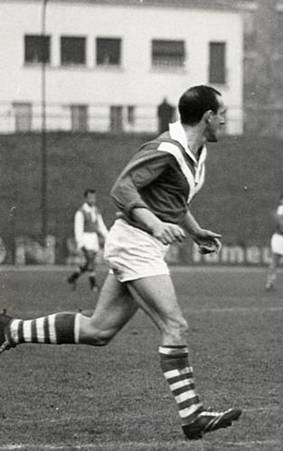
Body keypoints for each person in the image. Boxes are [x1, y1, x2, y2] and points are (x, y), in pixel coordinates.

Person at [0, 85, 241, 439]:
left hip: (139, 245)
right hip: (134, 244)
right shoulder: (167, 149)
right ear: (207, 117)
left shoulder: (195, 151)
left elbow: (174, 198)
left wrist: (195, 231)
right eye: (222, 114)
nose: (225, 120)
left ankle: (11, 329)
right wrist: (156, 224)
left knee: (99, 330)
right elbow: (122, 188)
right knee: (175, 324)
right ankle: (193, 416)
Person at [66, 189, 109, 292]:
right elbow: (78, 229)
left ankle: (73, 277)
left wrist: (108, 237)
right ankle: (93, 284)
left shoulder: (96, 211)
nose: (92, 200)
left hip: (94, 239)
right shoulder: (80, 212)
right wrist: (80, 243)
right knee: (90, 260)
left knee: (90, 262)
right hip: (85, 238)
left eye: (94, 197)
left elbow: (100, 226)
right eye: (90, 197)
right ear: (86, 198)